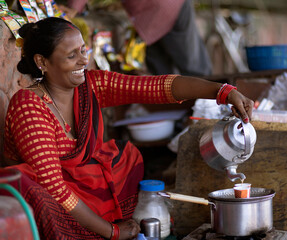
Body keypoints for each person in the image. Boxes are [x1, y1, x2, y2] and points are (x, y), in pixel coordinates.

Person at [3, 17, 253, 240]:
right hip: (54, 198)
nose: (83, 60)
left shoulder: (90, 84)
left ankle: (103, 221)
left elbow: (156, 88)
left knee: (126, 156)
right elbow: (54, 188)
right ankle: (99, 227)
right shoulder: (29, 106)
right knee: (40, 198)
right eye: (71, 56)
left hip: (80, 187)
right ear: (41, 62)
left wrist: (222, 92)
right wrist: (111, 231)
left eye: (83, 50)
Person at [64, 0, 212, 76]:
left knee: (193, 67)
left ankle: (211, 109)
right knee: (163, 73)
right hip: (148, 16)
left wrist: (73, 8)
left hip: (166, 8)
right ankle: (177, 117)